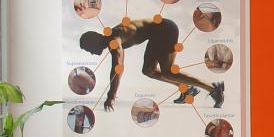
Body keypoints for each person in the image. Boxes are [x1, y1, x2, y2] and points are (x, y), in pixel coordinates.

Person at [79, 17, 224, 110]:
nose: (90, 53)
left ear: (94, 41)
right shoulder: (112, 39)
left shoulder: (114, 40)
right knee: (148, 70)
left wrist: (111, 96)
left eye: (88, 48)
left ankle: (213, 88)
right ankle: (187, 89)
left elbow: (118, 68)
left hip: (166, 29)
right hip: (156, 34)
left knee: (168, 71)